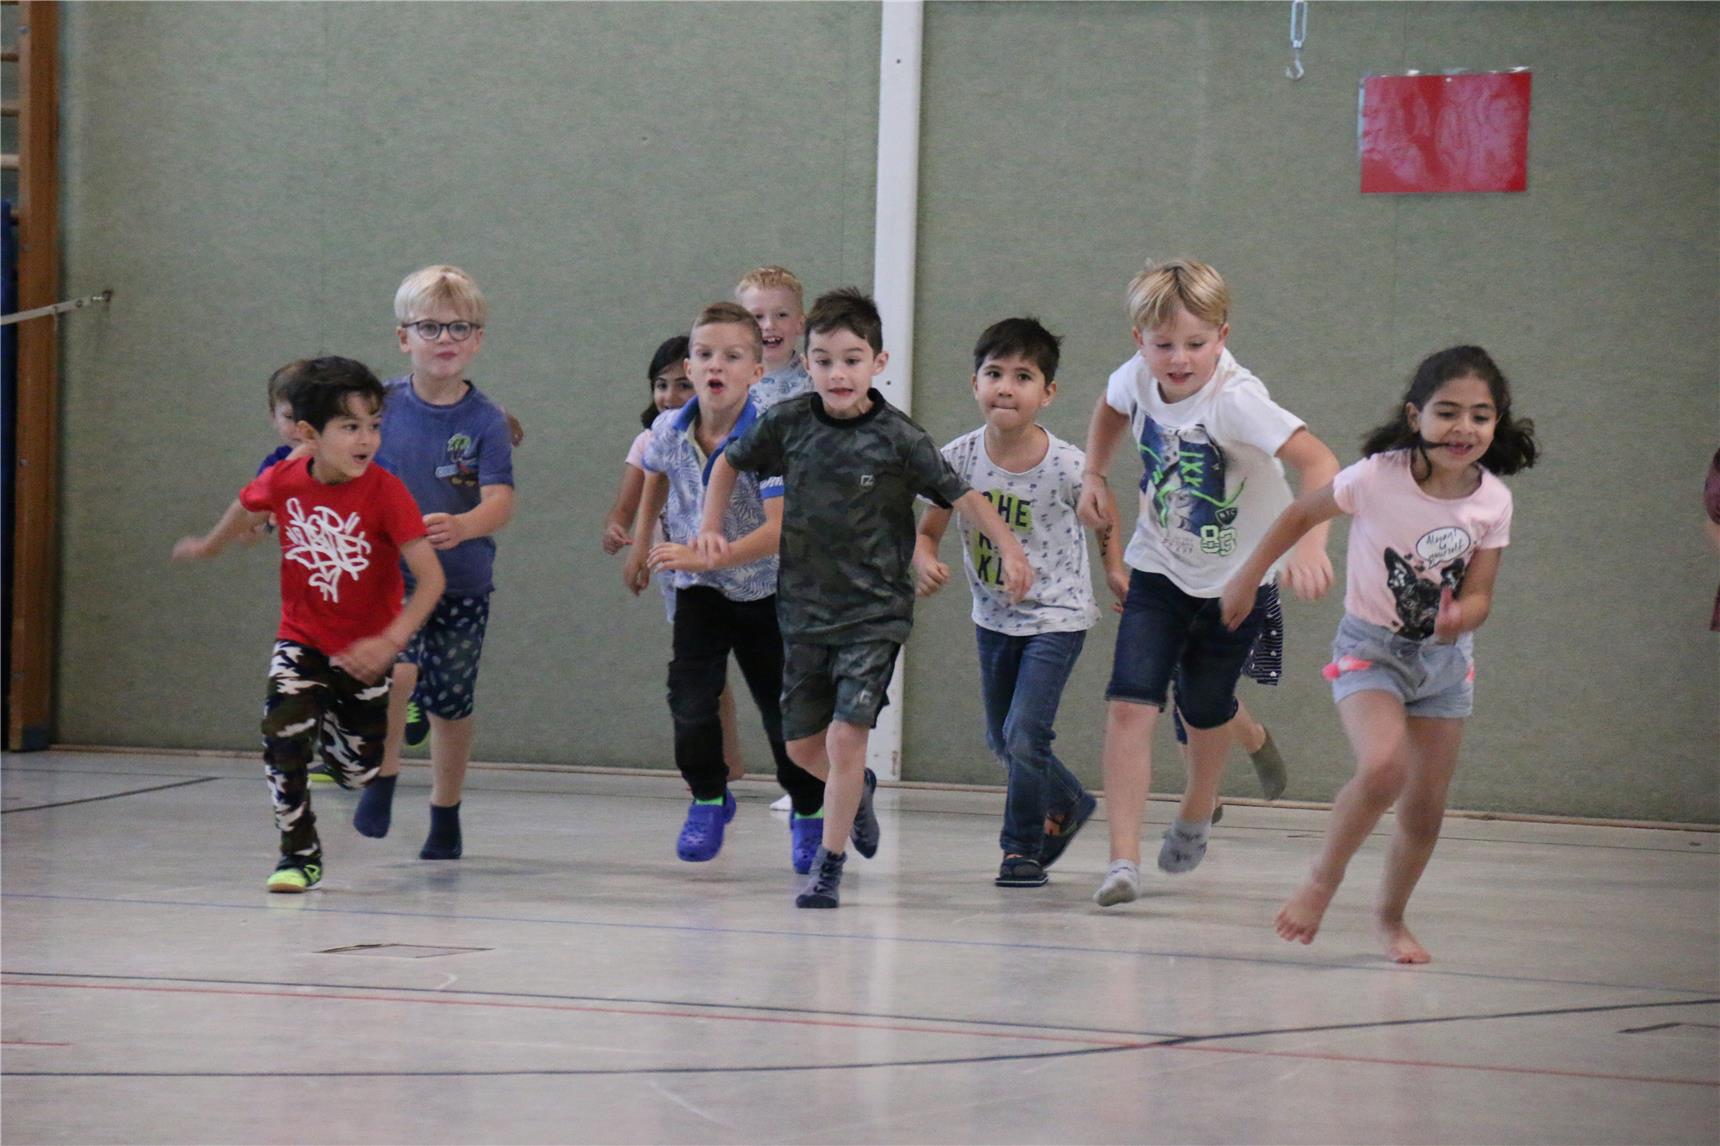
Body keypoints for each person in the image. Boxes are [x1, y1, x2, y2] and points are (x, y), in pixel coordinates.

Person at [698, 288, 1034, 908]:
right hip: (803, 613)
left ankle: (828, 866)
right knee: (802, 748)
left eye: (852, 360)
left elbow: (962, 495)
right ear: (807, 363)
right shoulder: (788, 423)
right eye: (824, 360)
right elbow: (726, 463)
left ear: (878, 362)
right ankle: (858, 792)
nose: (838, 373)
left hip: (875, 615)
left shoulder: (899, 438)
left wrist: (1009, 548)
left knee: (844, 737)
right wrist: (711, 526)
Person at [1220, 344, 1537, 963]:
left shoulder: (1492, 501)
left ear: (1496, 422)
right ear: (1416, 416)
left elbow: (1480, 594)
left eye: (1480, 416)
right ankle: (1322, 881)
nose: (1463, 428)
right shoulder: (1375, 477)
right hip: (1371, 649)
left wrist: (1461, 616)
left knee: (1424, 809)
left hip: (1444, 665)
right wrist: (1248, 577)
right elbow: (1298, 515)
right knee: (1384, 767)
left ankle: (1391, 918)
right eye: (1447, 412)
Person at [1077, 258, 1338, 908]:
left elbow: (1321, 463)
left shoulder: (1236, 401)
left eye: (1195, 344)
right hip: (1160, 567)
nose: (1179, 359)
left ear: (1222, 336)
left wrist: (1310, 543)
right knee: (1130, 705)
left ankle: (1198, 807)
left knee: (1203, 706)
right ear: (1139, 340)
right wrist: (1094, 473)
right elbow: (1110, 408)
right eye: (1164, 344)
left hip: (1237, 580)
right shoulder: (1137, 376)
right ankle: (1122, 861)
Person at [172, 358, 445, 892]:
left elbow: (431, 579)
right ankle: (297, 854)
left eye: (374, 425)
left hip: (365, 652)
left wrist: (390, 640)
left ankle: (343, 750)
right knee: (281, 734)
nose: (367, 439)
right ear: (308, 434)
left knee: (358, 770)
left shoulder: (387, 492)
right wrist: (210, 544)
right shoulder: (284, 479)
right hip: (301, 638)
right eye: (350, 427)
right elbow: (246, 504)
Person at [622, 302, 826, 869]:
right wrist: (641, 543)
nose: (717, 365)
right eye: (705, 354)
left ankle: (810, 808)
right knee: (690, 699)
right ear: (689, 367)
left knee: (783, 711)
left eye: (732, 356)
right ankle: (709, 798)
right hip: (699, 590)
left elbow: (779, 530)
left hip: (766, 591)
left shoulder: (769, 435)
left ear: (755, 372)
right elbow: (655, 474)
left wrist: (712, 554)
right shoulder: (669, 428)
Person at [912, 317, 1101, 887]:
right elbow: (928, 530)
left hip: (1057, 614)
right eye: (994, 374)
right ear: (975, 383)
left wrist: (1115, 568)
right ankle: (1069, 800)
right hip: (993, 617)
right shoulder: (957, 459)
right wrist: (924, 557)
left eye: (1023, 377)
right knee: (1001, 739)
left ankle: (1021, 849)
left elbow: (1105, 517)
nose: (1006, 387)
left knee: (1023, 733)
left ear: (1048, 393)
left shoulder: (1065, 463)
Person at [350, 265, 516, 860]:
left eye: (459, 327)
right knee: (396, 673)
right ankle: (384, 776)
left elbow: (500, 499)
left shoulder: (485, 420)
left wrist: (465, 525)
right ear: (404, 337)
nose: (445, 338)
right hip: (391, 576)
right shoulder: (380, 407)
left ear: (477, 339)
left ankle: (446, 812)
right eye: (430, 327)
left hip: (462, 582)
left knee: (451, 704)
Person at [603, 335, 746, 782]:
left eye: (682, 385)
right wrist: (621, 534)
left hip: (733, 563)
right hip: (679, 571)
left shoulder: (729, 434)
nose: (670, 395)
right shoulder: (650, 440)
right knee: (706, 672)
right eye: (661, 385)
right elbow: (627, 505)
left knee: (761, 659)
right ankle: (723, 763)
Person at [736, 265, 812, 410]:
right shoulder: (730, 381)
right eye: (758, 317)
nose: (769, 325)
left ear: (800, 324)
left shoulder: (815, 381)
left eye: (781, 315)